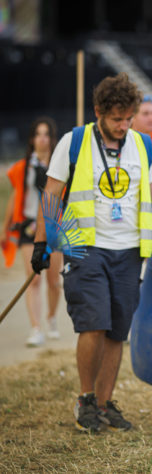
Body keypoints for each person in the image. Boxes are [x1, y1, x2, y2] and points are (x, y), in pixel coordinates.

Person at [32, 73, 152, 432]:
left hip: (129, 252)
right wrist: (42, 243)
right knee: (93, 324)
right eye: (116, 120)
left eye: (128, 119)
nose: (123, 126)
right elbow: (50, 194)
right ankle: (86, 400)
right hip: (84, 247)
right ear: (98, 112)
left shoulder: (142, 145)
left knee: (117, 331)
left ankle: (106, 403)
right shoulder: (73, 142)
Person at [3, 118, 63, 347]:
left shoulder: (60, 165)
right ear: (32, 138)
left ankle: (51, 318)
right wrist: (5, 226)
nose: (42, 138)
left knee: (53, 280)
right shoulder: (23, 167)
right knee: (33, 279)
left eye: (46, 134)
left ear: (52, 138)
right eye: (38, 134)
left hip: (54, 226)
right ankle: (36, 327)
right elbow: (16, 196)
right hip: (29, 226)